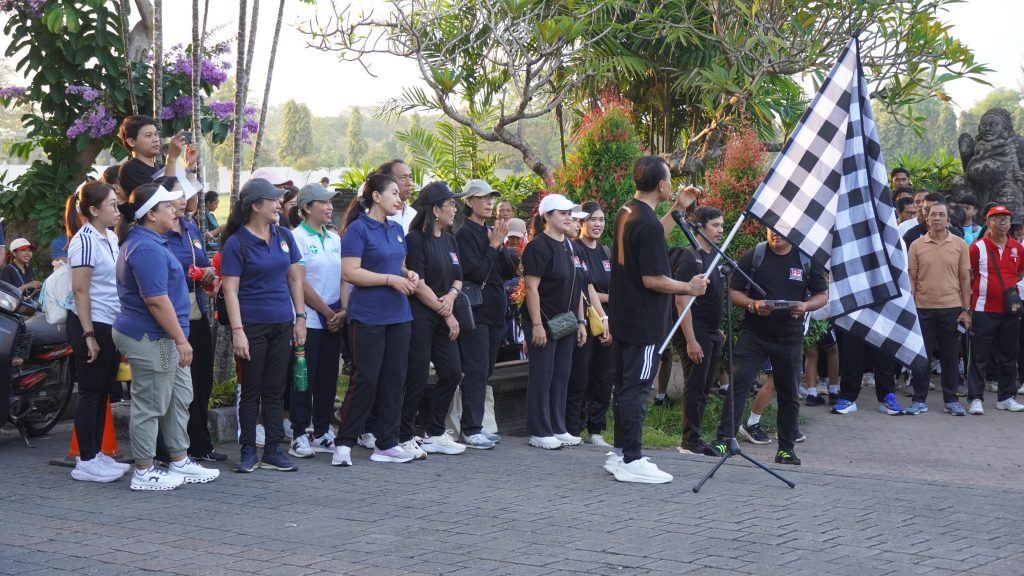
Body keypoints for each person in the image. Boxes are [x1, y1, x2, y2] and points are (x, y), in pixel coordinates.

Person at [605, 156, 708, 483]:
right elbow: (653, 279)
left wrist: (677, 208)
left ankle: (620, 453)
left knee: (625, 386)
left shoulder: (628, 210)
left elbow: (651, 237)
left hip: (623, 316)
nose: (672, 185)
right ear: (661, 184)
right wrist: (688, 287)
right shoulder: (645, 221)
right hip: (643, 321)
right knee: (637, 388)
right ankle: (632, 458)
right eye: (670, 181)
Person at [112, 183, 219, 490]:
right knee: (151, 403)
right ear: (151, 214)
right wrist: (182, 340)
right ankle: (144, 470)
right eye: (168, 207)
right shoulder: (145, 247)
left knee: (178, 398)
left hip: (165, 335)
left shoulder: (152, 241)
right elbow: (156, 301)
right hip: (152, 336)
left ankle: (179, 459)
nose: (176, 211)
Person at [714, 228, 827, 466]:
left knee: (789, 393)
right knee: (739, 383)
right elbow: (734, 291)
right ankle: (723, 439)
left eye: (781, 231)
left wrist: (805, 306)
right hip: (754, 334)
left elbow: (822, 295)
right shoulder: (755, 255)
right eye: (771, 230)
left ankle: (786, 449)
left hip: (789, 337)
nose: (776, 234)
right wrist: (752, 305)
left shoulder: (805, 258)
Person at [333, 173, 420, 466]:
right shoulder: (357, 230)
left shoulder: (396, 229)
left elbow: (398, 265)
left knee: (395, 380)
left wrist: (407, 274)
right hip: (368, 316)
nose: (399, 198)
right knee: (366, 379)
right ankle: (344, 442)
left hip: (399, 315)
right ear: (376, 196)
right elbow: (350, 272)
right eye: (393, 192)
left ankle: (387, 444)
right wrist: (390, 280)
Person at [220, 178, 306, 473]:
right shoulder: (237, 242)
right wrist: (238, 332)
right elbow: (230, 290)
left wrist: (300, 317)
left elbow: (294, 277)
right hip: (251, 326)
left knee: (275, 390)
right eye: (273, 200)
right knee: (251, 389)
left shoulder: (284, 235)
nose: (280, 205)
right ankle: (247, 451)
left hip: (282, 323)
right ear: (255, 205)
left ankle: (272, 450)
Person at [65, 181, 130, 483]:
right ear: (93, 210)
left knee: (103, 390)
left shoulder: (110, 237)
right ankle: (86, 459)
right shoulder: (85, 241)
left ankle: (97, 454)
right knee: (90, 391)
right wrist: (88, 335)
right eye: (112, 205)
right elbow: (80, 290)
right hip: (91, 323)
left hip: (109, 322)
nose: (118, 209)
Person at [400, 181, 470, 457]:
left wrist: (451, 296)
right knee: (416, 376)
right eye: (450, 204)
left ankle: (435, 431)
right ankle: (404, 434)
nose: (455, 209)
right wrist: (447, 312)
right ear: (435, 210)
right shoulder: (415, 239)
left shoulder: (450, 240)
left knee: (452, 372)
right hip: (421, 316)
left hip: (444, 312)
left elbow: (459, 277)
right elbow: (418, 284)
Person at [159, 177, 225, 462]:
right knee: (170, 385)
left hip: (196, 313)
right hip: (168, 318)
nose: (185, 199)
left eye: (187, 194)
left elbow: (203, 264)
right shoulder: (155, 234)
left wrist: (208, 274)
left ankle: (199, 445)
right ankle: (167, 451)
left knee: (200, 380)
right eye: (178, 194)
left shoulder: (191, 227)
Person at [522, 194, 589, 450]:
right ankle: (539, 430)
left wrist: (581, 321)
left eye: (570, 213)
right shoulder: (538, 247)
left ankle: (557, 426)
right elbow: (531, 288)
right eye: (562, 213)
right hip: (543, 320)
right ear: (547, 217)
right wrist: (537, 325)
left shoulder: (571, 246)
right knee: (543, 375)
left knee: (562, 374)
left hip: (567, 320)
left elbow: (578, 287)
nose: (569, 217)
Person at [454, 179, 515, 448]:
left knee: (486, 370)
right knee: (476, 370)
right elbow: (476, 273)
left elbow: (508, 272)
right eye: (483, 197)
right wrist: (493, 246)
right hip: (475, 311)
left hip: (495, 310)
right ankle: (470, 429)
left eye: (492, 197)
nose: (490, 202)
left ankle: (476, 425)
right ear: (469, 201)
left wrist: (499, 246)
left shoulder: (491, 231)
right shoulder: (464, 233)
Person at [287, 184, 344, 459]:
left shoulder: (334, 238)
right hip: (309, 319)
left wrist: (341, 312)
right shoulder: (295, 237)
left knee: (328, 377)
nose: (330, 207)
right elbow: (300, 281)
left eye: (331, 202)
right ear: (306, 208)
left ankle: (322, 431)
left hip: (334, 318)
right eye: (323, 202)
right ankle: (299, 433)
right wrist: (327, 312)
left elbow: (343, 277)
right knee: (303, 378)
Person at [904, 201, 972, 416]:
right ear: (926, 218)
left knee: (950, 357)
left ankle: (951, 400)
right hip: (922, 308)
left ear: (947, 219)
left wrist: (966, 309)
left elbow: (965, 278)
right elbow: (912, 278)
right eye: (933, 214)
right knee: (921, 357)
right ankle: (918, 400)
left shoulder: (960, 244)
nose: (936, 218)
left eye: (941, 215)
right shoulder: (917, 245)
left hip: (951, 308)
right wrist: (911, 307)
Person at [671, 206, 726, 456]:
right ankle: (689, 441)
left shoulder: (715, 256)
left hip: (712, 332)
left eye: (722, 225)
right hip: (695, 331)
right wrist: (691, 340)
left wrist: (718, 330)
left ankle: (697, 436)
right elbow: (681, 300)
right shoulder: (689, 256)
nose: (720, 230)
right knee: (695, 386)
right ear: (699, 227)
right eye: (715, 225)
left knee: (704, 388)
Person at [966, 205, 1024, 414]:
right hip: (982, 309)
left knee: (1009, 355)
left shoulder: (1018, 248)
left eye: (1006, 219)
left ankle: (1006, 397)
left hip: (1009, 310)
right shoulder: (977, 247)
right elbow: (969, 274)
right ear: (988, 223)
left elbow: (1019, 273)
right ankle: (975, 398)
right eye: (997, 218)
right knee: (979, 355)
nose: (1002, 222)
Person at [565, 201, 613, 447]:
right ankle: (573, 427)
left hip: (605, 322)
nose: (597, 224)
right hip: (584, 320)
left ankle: (596, 430)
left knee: (603, 378)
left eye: (601, 219)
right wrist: (609, 302)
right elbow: (584, 289)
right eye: (592, 219)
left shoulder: (605, 252)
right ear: (582, 222)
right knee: (580, 378)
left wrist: (606, 317)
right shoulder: (575, 249)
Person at [116, 115, 185, 195]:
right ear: (131, 142)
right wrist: (171, 159)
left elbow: (189, 200)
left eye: (156, 134)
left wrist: (190, 166)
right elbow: (164, 197)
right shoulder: (130, 168)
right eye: (148, 135)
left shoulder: (162, 168)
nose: (156, 139)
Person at [379, 159, 417, 233]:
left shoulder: (413, 214)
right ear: (386, 181)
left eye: (410, 177)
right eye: (403, 177)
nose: (409, 183)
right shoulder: (375, 217)